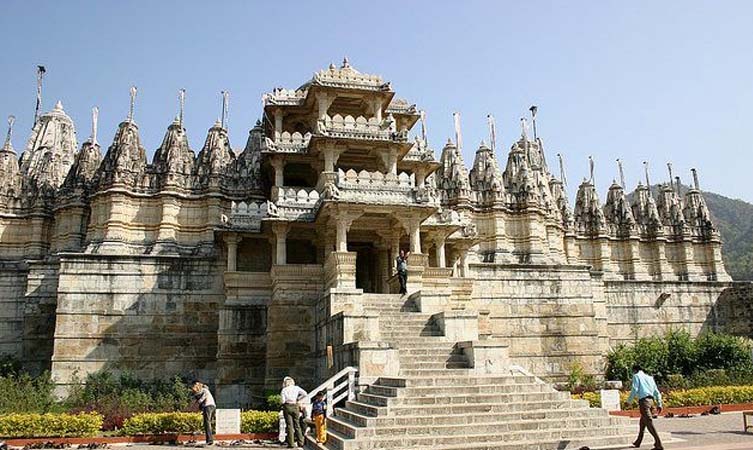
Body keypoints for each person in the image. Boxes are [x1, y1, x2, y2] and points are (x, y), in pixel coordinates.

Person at [626, 364, 664, 450]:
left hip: (644, 402)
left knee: (649, 422)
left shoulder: (636, 376)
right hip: (651, 401)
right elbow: (656, 392)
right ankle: (638, 441)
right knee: (642, 422)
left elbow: (635, 389)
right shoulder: (650, 378)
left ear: (635, 370)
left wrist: (629, 401)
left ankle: (658, 443)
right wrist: (659, 404)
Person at [280, 376, 307, 448]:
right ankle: (301, 442)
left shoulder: (284, 390)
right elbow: (305, 393)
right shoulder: (296, 388)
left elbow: (282, 401)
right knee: (297, 424)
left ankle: (291, 443)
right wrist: (298, 398)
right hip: (295, 405)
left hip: (287, 406)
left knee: (289, 426)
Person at [191, 381, 216, 446]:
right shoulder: (200, 392)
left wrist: (195, 405)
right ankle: (209, 439)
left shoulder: (205, 390)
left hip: (209, 406)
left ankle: (210, 440)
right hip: (210, 406)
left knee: (207, 423)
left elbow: (202, 399)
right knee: (207, 423)